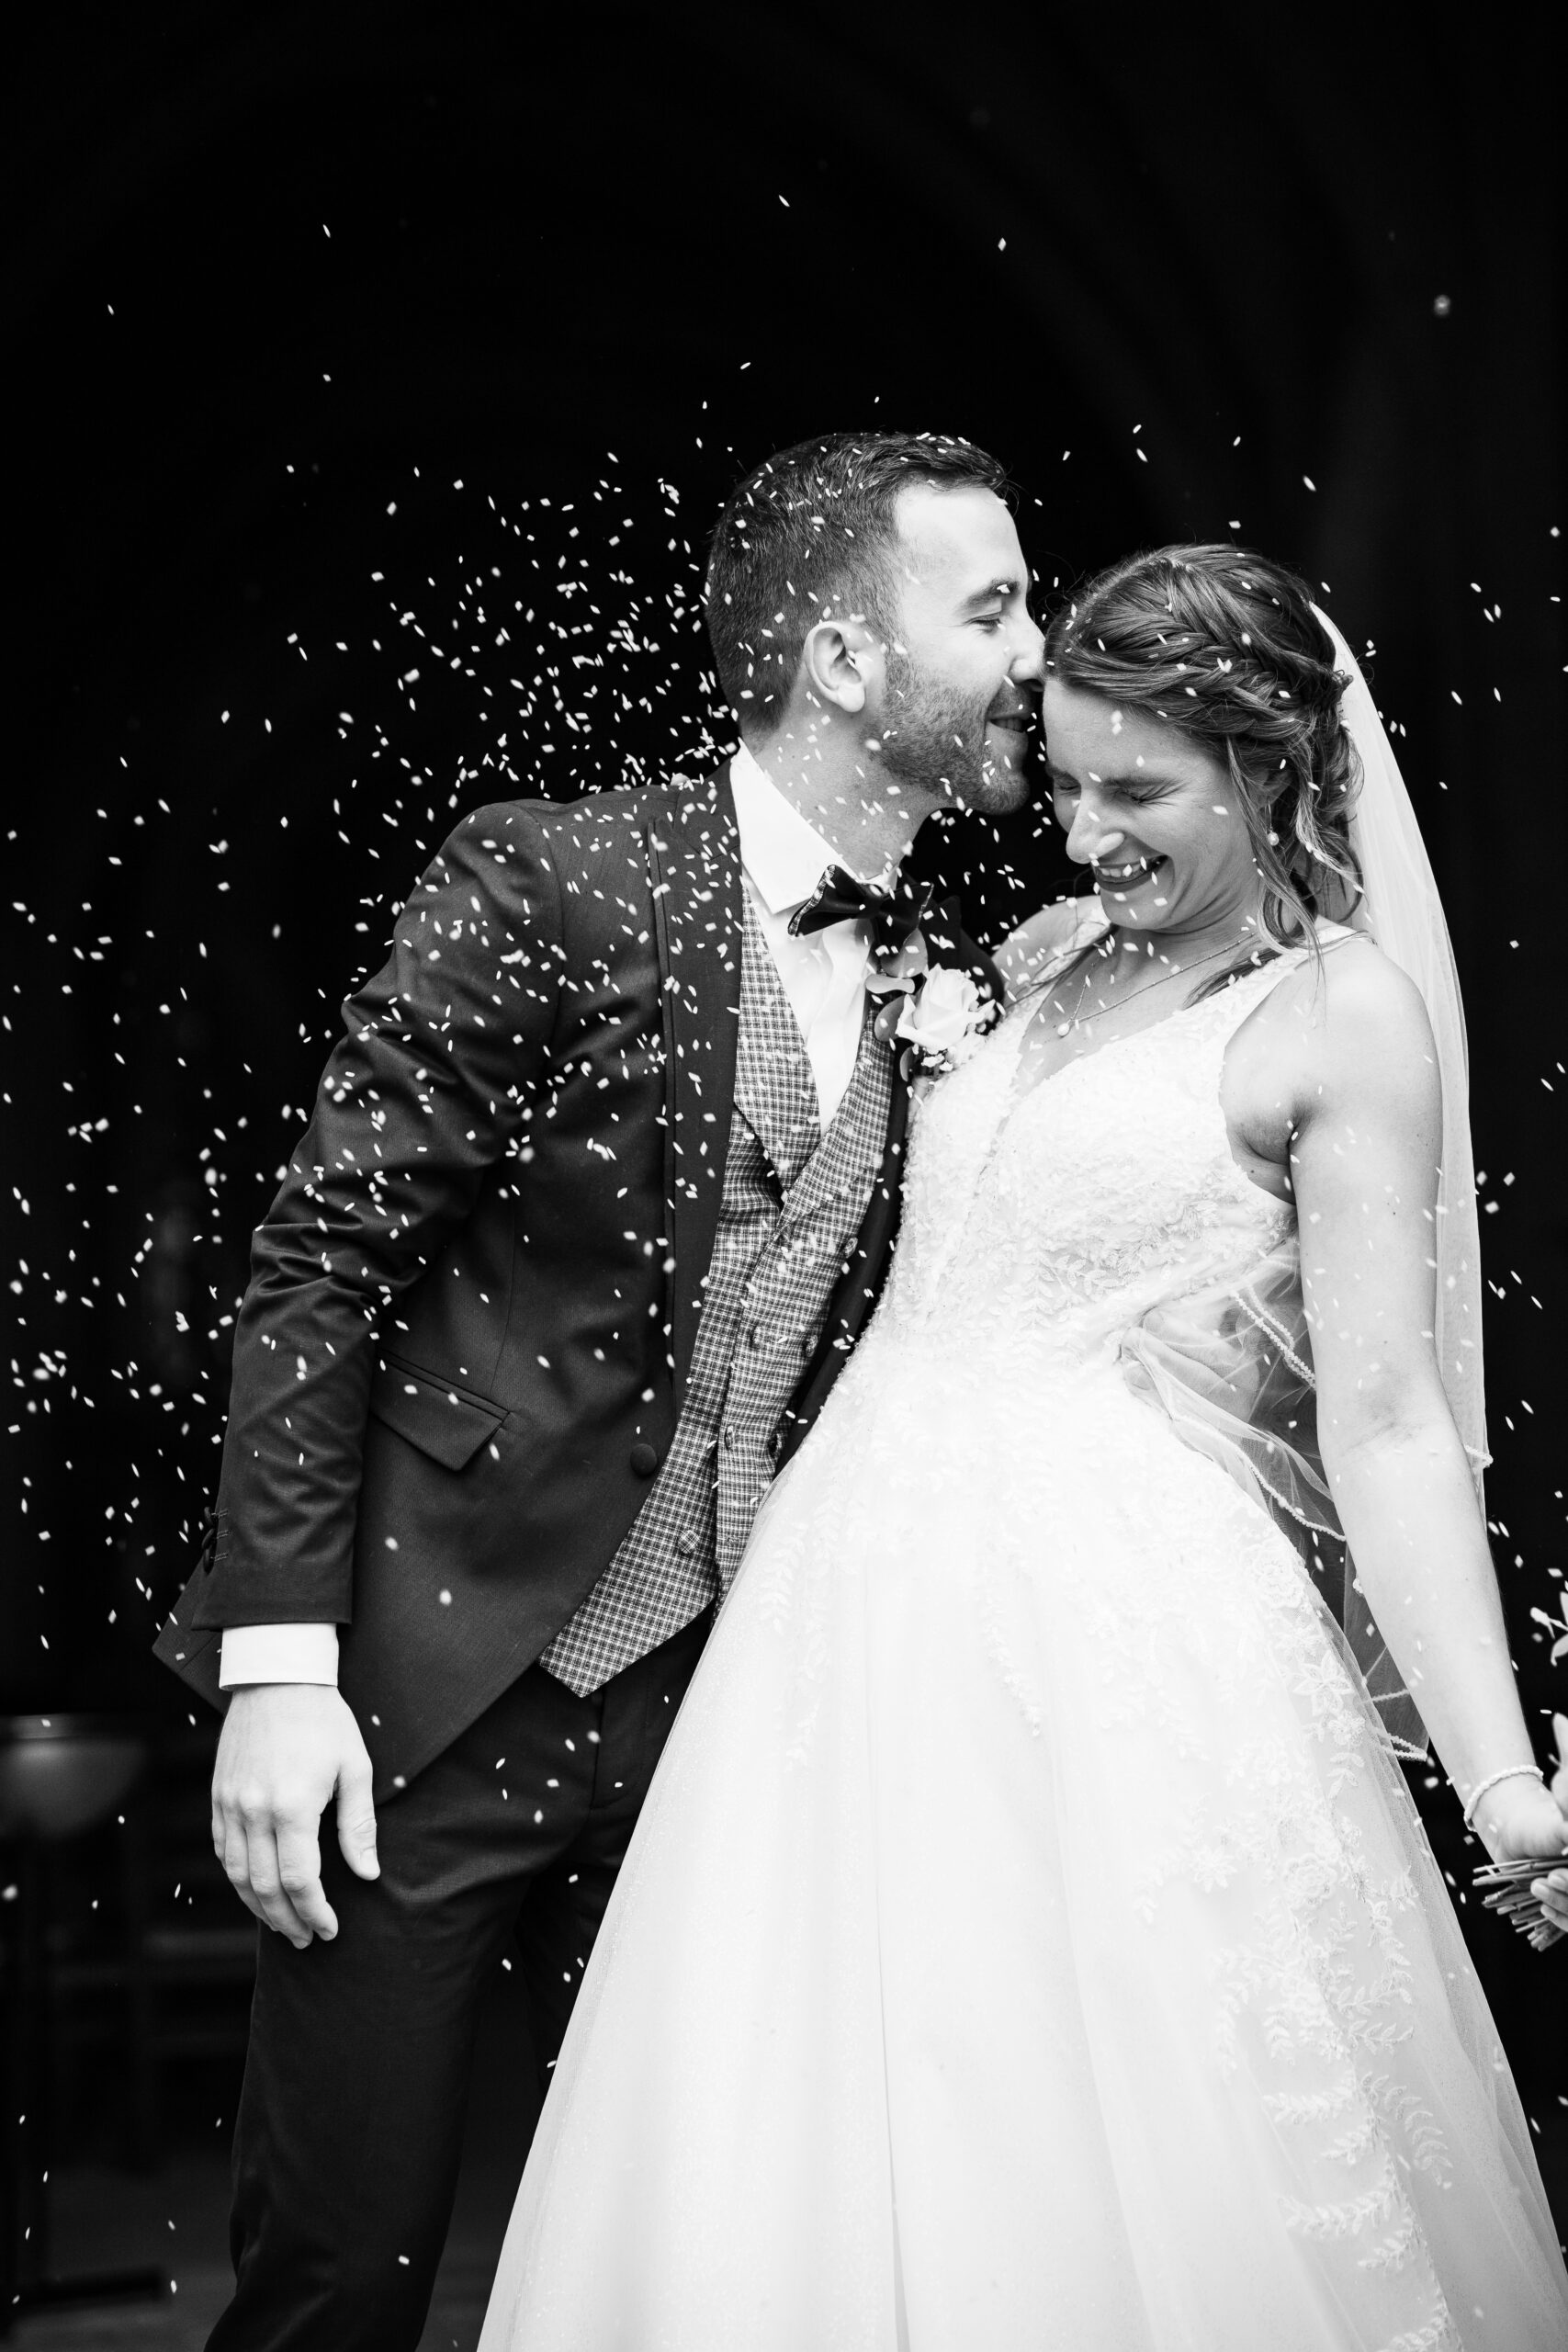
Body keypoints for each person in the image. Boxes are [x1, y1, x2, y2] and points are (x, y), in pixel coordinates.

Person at [479, 544, 1568, 2350]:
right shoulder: (1042, 952)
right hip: (840, 1595)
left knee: (1105, 2114)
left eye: (1134, 789)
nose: (1078, 837)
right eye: (1060, 780)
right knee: (796, 2087)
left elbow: (1379, 1422)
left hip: (1108, 1623)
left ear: (1269, 763)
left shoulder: (1333, 1016)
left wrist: (1497, 1779)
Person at [152, 428, 1043, 2350]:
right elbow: (319, 1266)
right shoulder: (563, 871)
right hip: (435, 1698)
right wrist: (280, 1672)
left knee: (702, 2271)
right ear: (841, 660)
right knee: (343, 2275)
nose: (1036, 651)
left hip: (743, 1719)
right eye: (990, 606)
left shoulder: (961, 969)